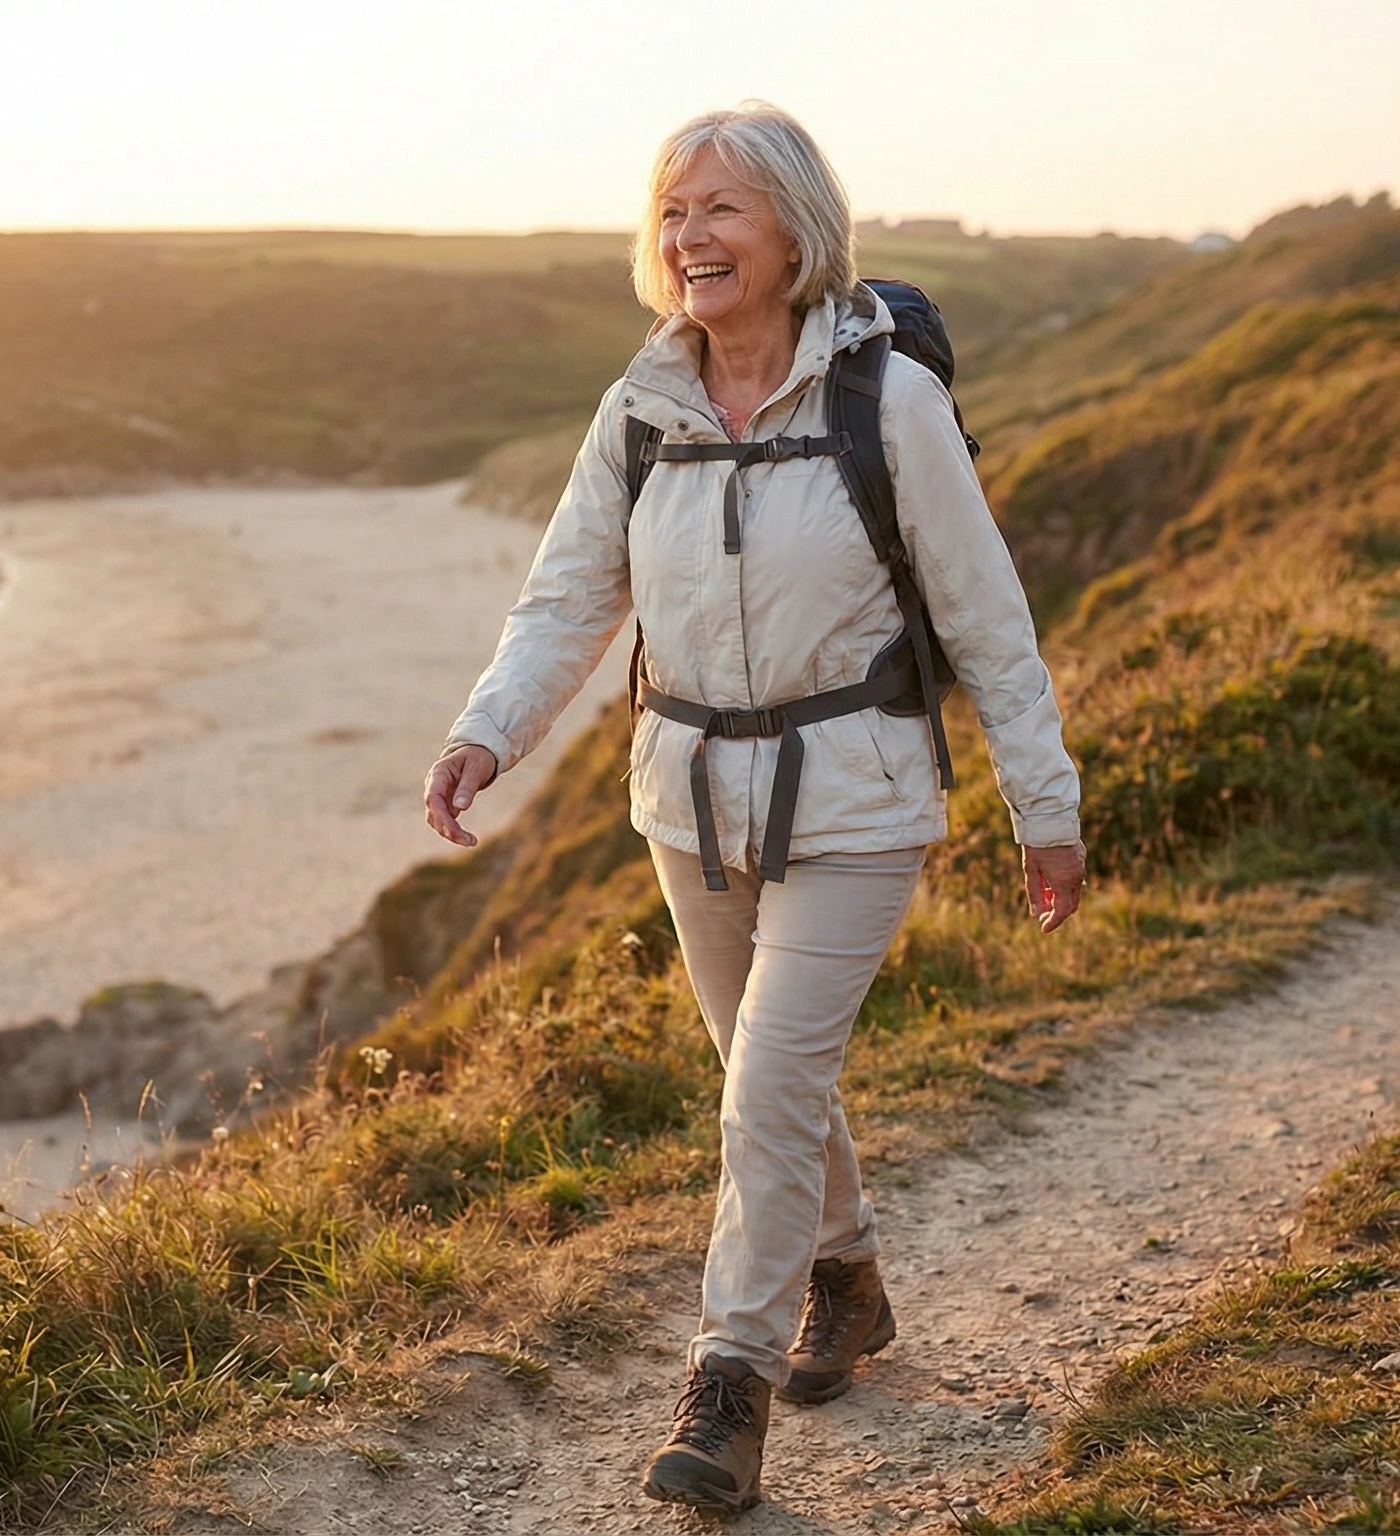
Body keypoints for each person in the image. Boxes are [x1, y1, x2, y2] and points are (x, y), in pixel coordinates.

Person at [423, 102, 1086, 1513]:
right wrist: (489, 734)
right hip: (688, 804)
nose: (691, 234)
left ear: (795, 228)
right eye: (672, 210)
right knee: (763, 1079)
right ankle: (845, 1283)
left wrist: (1046, 802)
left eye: (721, 207)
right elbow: (569, 599)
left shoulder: (884, 400)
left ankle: (728, 1385)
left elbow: (985, 614)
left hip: (857, 794)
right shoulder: (642, 409)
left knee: (770, 1084)